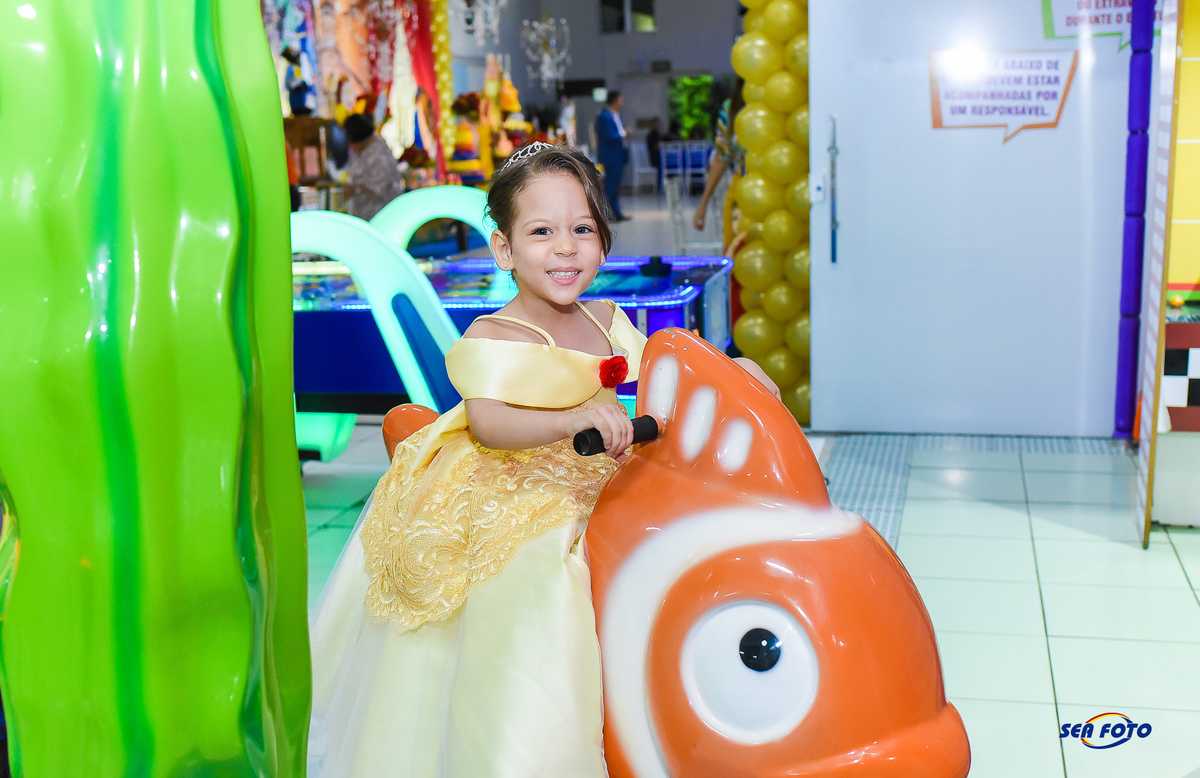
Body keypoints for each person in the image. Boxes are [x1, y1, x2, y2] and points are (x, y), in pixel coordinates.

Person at [308, 143, 778, 777]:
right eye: (541, 232)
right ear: (504, 249)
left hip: (597, 465)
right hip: (515, 477)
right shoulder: (495, 334)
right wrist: (569, 420)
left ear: (603, 241)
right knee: (540, 566)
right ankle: (530, 732)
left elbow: (661, 373)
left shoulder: (607, 319)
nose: (565, 248)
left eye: (582, 229)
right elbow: (490, 422)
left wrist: (730, 372)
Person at [342, 112, 405, 221]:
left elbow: (380, 186)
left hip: (383, 212)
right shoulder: (362, 149)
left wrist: (356, 188)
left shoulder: (379, 152)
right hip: (366, 213)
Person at [594, 90, 630, 221]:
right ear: (615, 101)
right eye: (620, 100)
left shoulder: (614, 115)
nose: (622, 103)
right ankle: (608, 214)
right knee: (610, 187)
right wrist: (624, 134)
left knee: (615, 186)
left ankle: (616, 212)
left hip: (618, 156)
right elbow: (609, 136)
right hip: (611, 157)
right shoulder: (604, 117)